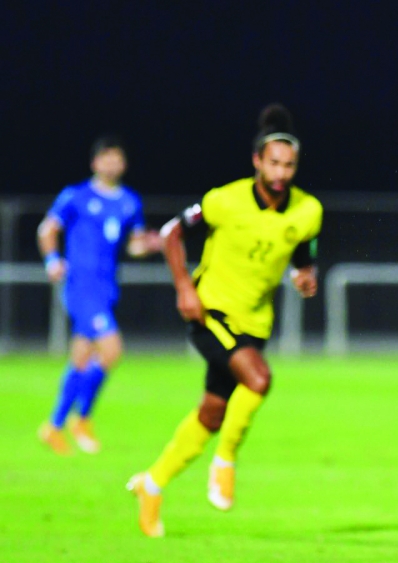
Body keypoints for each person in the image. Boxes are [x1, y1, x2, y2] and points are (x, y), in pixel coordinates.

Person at [127, 104, 322, 537]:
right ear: (257, 161)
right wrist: (184, 287)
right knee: (259, 379)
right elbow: (171, 232)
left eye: (288, 165)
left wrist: (305, 277)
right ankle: (225, 461)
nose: (281, 172)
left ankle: (151, 484)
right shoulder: (224, 200)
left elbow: (304, 258)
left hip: (255, 324)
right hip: (210, 311)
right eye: (274, 163)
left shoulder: (308, 210)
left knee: (213, 413)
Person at [37, 136, 161, 455]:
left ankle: (53, 426)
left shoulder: (130, 202)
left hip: (106, 287)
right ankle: (82, 418)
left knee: (81, 357)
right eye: (106, 158)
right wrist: (52, 260)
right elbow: (47, 229)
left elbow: (133, 246)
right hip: (81, 285)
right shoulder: (76, 195)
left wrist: (150, 245)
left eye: (117, 159)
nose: (111, 164)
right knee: (111, 350)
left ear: (124, 164)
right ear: (95, 163)